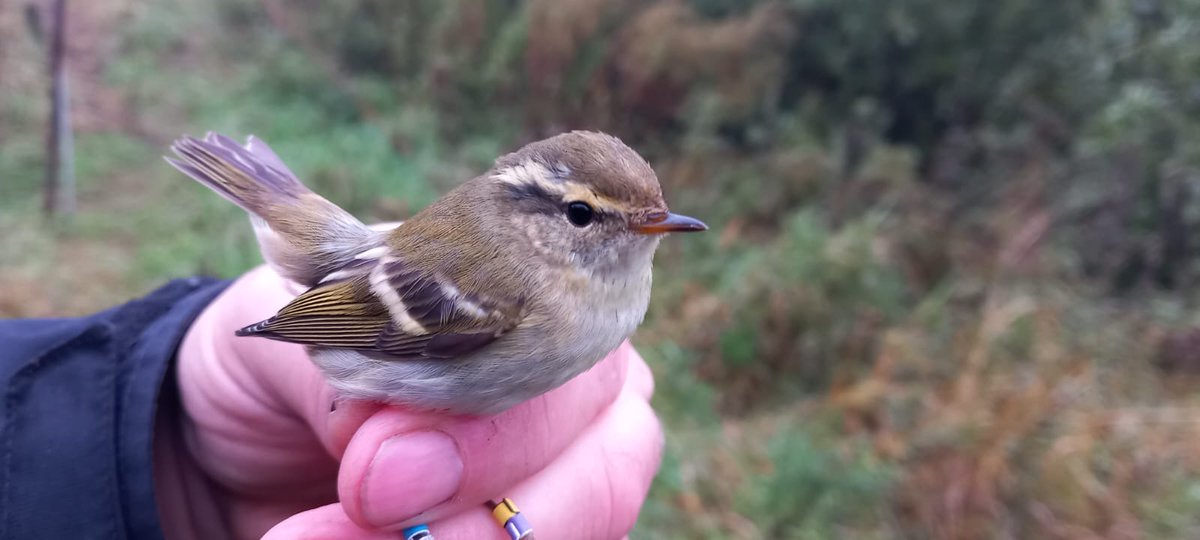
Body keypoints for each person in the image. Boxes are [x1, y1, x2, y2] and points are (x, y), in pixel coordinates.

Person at [0, 265, 664, 539]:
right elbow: (367, 317)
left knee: (439, 460)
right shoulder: (510, 292)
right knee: (410, 457)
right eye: (584, 215)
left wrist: (171, 459)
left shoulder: (570, 305)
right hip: (352, 326)